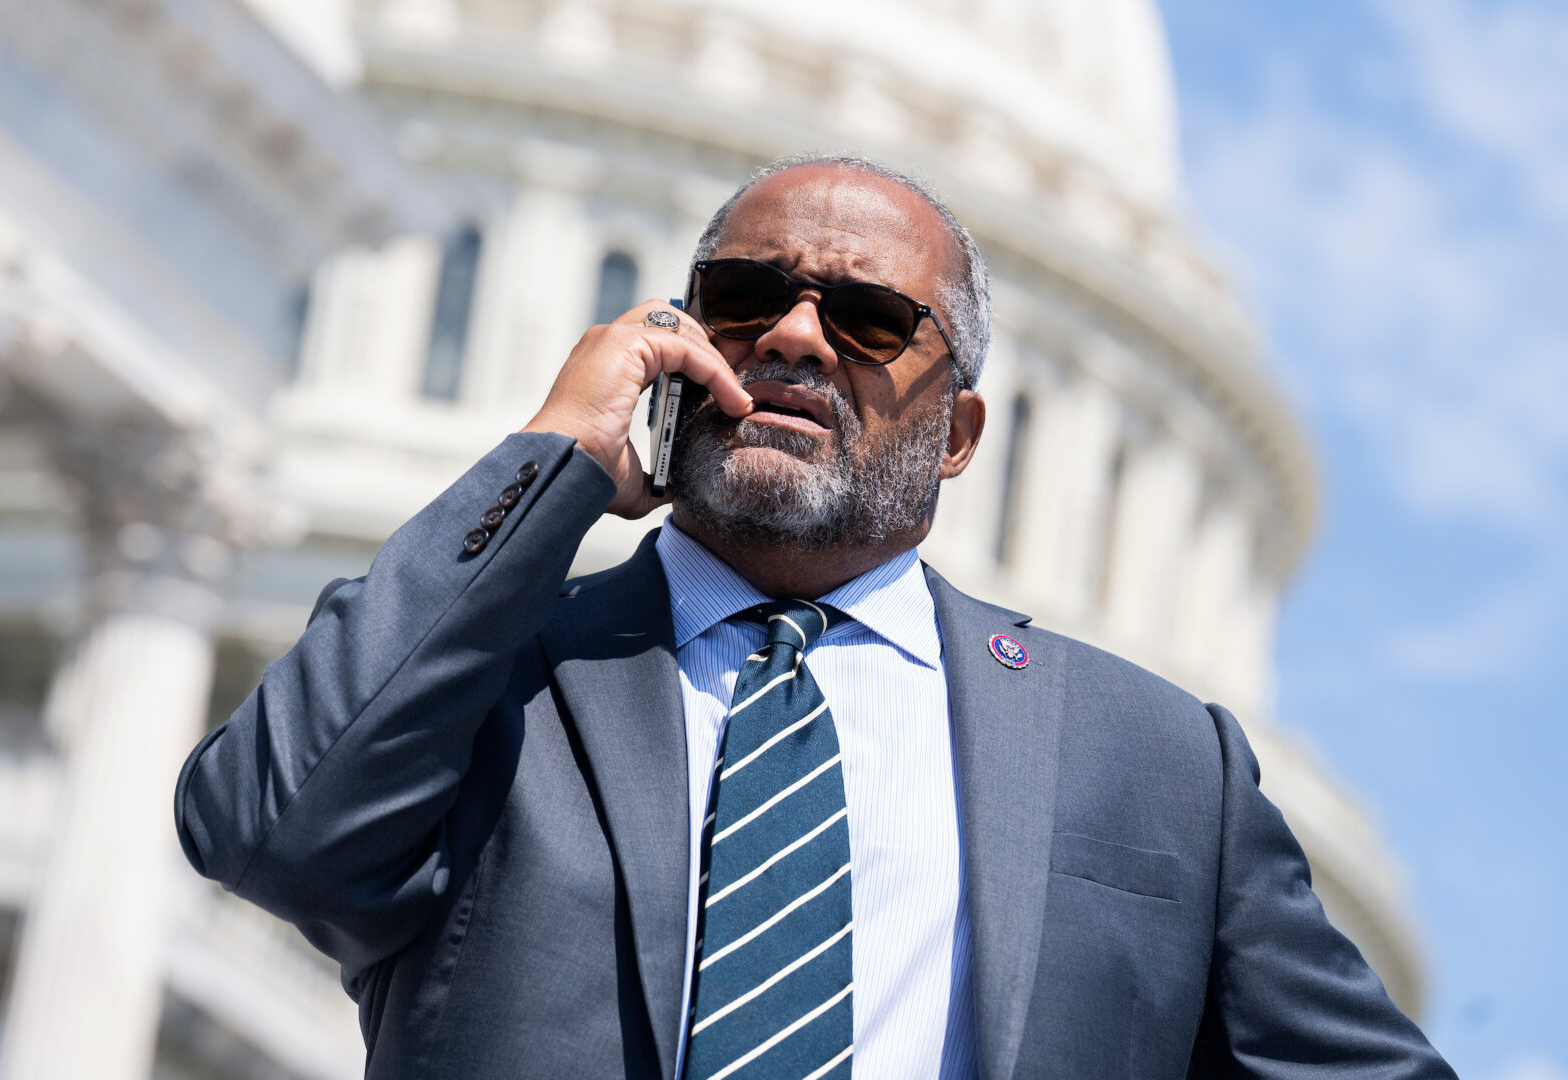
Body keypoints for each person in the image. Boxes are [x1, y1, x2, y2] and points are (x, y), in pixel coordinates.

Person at [174, 155, 1455, 1079]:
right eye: (743, 296)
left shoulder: (1155, 763)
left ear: (956, 435)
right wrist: (552, 461)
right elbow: (265, 828)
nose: (792, 334)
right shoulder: (505, 679)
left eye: (870, 319)